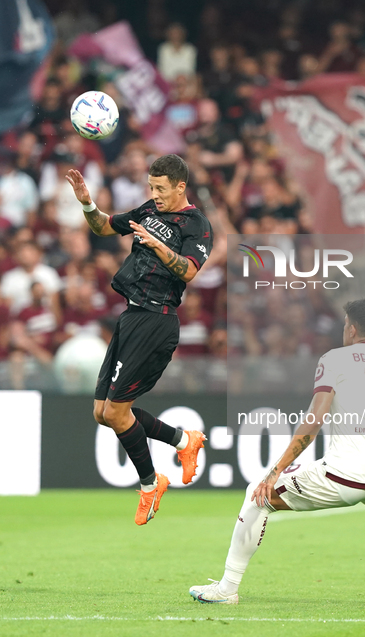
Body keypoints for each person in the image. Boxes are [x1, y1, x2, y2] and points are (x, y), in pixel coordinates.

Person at [189, 299, 365, 604]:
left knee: (257, 495)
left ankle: (226, 589)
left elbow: (314, 419)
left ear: (353, 330)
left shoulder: (336, 359)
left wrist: (273, 472)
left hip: (346, 475)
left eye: (345, 324)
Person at [65, 154, 213, 525]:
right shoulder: (149, 209)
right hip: (131, 316)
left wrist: (158, 245)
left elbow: (189, 271)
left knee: (116, 412)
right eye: (151, 187)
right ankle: (183, 440)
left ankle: (151, 484)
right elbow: (102, 227)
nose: (154, 194)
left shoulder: (197, 225)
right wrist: (87, 201)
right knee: (102, 412)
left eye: (161, 188)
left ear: (181, 186)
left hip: (158, 320)